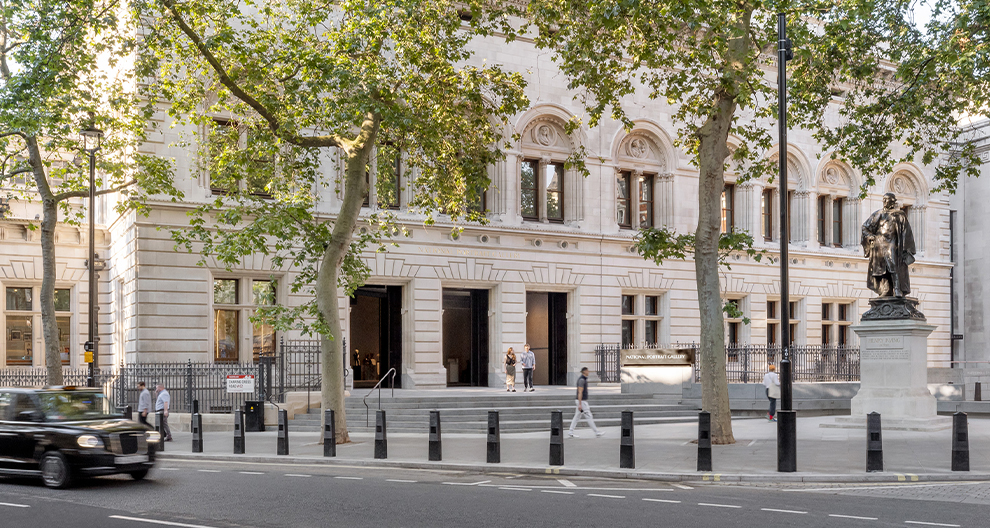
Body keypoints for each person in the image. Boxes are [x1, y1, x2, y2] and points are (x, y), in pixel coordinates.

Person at [862, 192, 916, 298]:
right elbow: (865, 227)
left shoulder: (899, 214)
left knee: (893, 264)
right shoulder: (878, 214)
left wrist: (906, 249)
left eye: (888, 199)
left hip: (893, 244)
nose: (885, 202)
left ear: (893, 201)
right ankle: (886, 289)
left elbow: (906, 232)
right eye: (884, 199)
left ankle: (897, 288)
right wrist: (870, 236)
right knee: (882, 268)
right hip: (879, 243)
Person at [568, 367, 604, 438]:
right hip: (582, 401)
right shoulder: (582, 380)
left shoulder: (582, 379)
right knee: (589, 416)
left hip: (581, 401)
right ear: (584, 371)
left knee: (577, 417)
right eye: (587, 371)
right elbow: (580, 392)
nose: (588, 372)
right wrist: (580, 404)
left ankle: (571, 431)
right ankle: (596, 432)